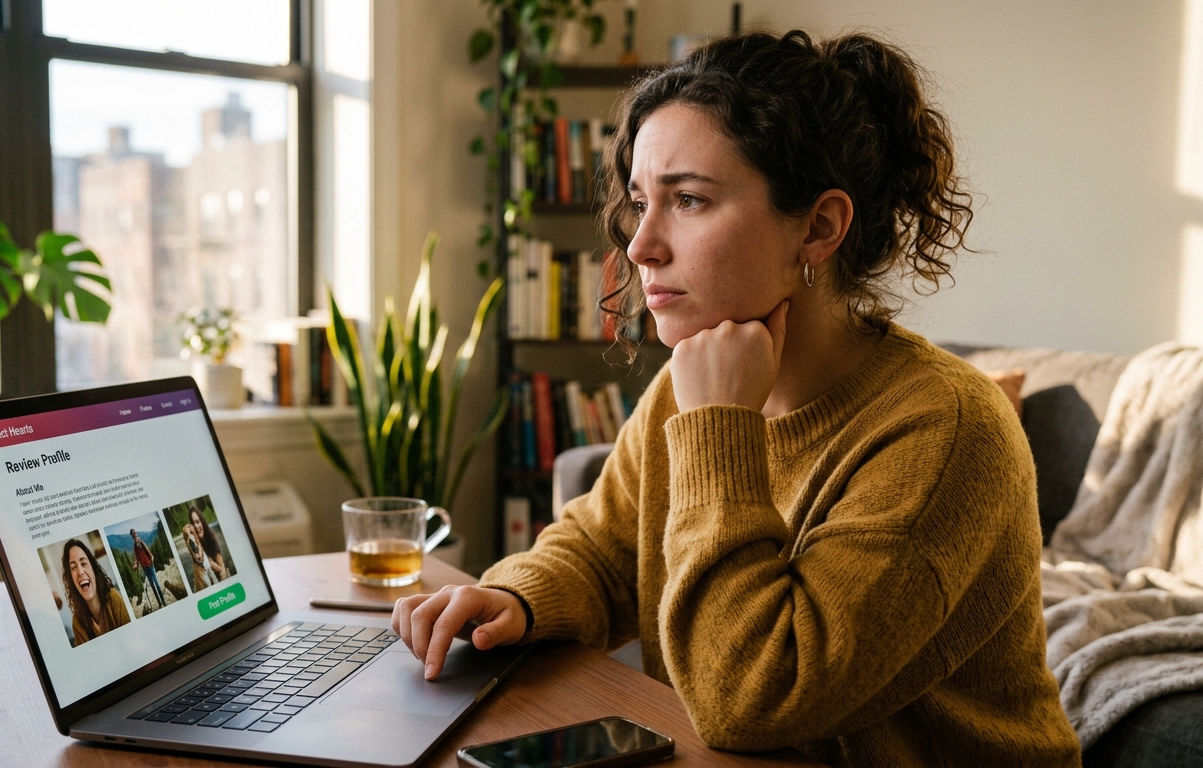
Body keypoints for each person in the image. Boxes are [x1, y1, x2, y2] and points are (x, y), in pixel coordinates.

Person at [394, 30, 1080, 766]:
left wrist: (721, 426)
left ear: (819, 228)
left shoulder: (947, 431)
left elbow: (754, 697)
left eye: (688, 199)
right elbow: (604, 547)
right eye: (638, 202)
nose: (641, 245)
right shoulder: (686, 386)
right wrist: (522, 598)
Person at [62, 537, 131, 646]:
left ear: (93, 569)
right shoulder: (77, 622)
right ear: (71, 580)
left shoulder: (113, 598)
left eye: (84, 563)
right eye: (73, 567)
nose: (80, 572)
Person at [190, 504, 227, 583]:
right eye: (193, 523)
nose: (196, 526)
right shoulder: (194, 545)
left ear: (202, 522)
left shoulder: (211, 540)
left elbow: (222, 569)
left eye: (198, 522)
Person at [131, 528, 165, 609]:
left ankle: (163, 601)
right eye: (133, 535)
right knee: (153, 586)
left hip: (150, 566)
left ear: (136, 533)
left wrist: (151, 558)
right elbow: (137, 558)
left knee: (156, 584)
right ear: (132, 536)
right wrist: (136, 565)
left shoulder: (141, 543)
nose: (134, 535)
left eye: (134, 534)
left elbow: (148, 552)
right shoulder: (135, 547)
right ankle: (159, 603)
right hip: (145, 569)